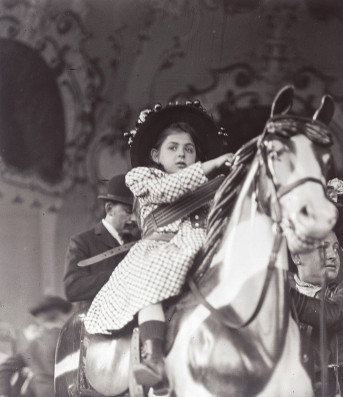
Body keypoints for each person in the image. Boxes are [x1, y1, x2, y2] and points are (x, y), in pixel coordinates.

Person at [84, 101, 233, 393]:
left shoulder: (209, 188)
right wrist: (210, 166)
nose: (182, 154)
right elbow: (168, 189)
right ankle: (152, 358)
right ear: (156, 155)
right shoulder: (142, 178)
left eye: (189, 149)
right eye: (173, 148)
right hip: (162, 251)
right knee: (152, 287)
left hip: (203, 253)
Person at [289, 179, 343, 397]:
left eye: (336, 248)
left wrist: (282, 294)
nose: (332, 254)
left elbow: (331, 314)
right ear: (296, 256)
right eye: (323, 247)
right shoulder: (277, 300)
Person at [63, 174, 140, 306]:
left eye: (136, 213)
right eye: (128, 211)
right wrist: (121, 276)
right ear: (109, 209)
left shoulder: (138, 243)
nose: (133, 218)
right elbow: (73, 288)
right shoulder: (82, 242)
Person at [0, 296, 72, 397]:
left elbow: (5, 367)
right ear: (61, 315)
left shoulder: (34, 344)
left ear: (39, 319)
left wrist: (4, 394)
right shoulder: (68, 339)